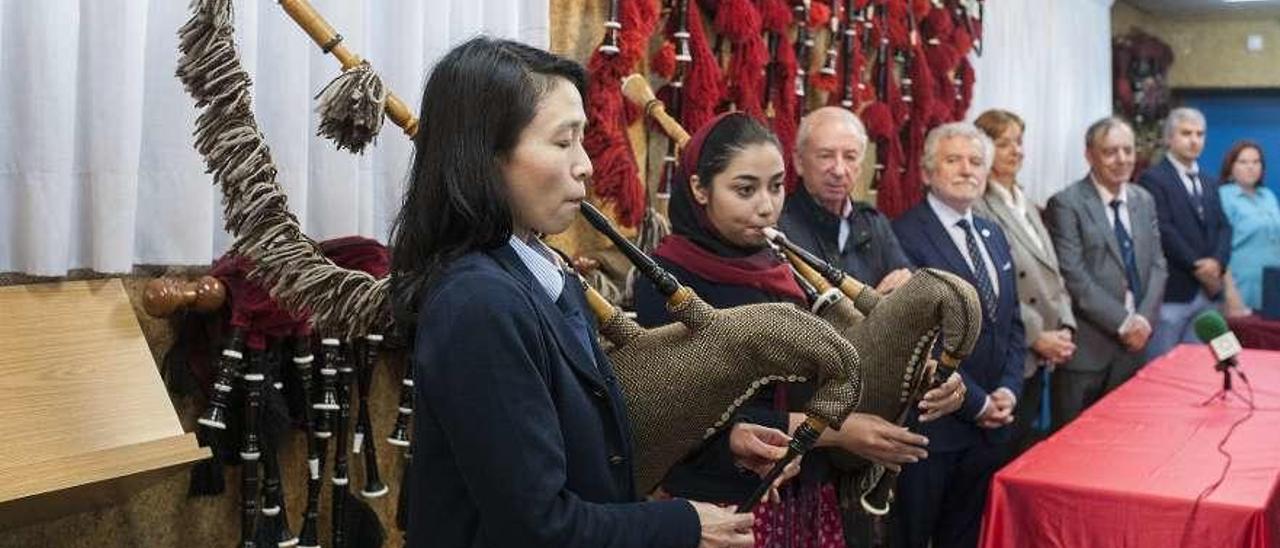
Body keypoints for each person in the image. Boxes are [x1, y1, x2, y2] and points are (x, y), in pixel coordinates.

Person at [390, 37, 778, 548]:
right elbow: (536, 525)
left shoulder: (543, 275)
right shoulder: (479, 305)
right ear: (487, 154)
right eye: (562, 141)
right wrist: (682, 525)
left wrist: (714, 446)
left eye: (583, 139)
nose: (586, 165)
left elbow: (588, 446)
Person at [633, 112, 964, 547]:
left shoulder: (779, 268)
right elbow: (688, 418)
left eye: (775, 186)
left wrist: (921, 371)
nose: (767, 206)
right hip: (722, 511)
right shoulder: (667, 279)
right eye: (745, 189)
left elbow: (831, 362)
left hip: (804, 492)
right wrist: (840, 430)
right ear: (699, 189)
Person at [890, 122, 1026, 548]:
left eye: (975, 162)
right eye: (953, 161)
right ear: (928, 172)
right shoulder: (905, 234)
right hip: (933, 429)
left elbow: (1012, 324)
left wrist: (1008, 389)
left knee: (966, 537)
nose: (967, 170)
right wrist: (977, 402)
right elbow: (918, 337)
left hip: (989, 429)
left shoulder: (993, 232)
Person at [1044, 117, 1168, 428]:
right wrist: (1123, 322)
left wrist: (1142, 320)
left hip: (1135, 349)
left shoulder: (1144, 199)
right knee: (1071, 451)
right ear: (1090, 155)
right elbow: (1073, 274)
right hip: (1087, 352)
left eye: (1128, 150)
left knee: (1124, 444)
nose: (1122, 159)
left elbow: (1158, 265)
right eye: (1111, 151)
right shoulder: (1066, 203)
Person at [972, 109, 1076, 454]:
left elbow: (1052, 272)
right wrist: (1037, 336)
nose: (1016, 150)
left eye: (1019, 141)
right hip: (1014, 349)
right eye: (1004, 143)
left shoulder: (1025, 202)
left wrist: (1064, 326)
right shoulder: (978, 207)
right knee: (1006, 450)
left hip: (1045, 347)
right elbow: (993, 287)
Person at [778, 107, 913, 294]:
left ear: (860, 165)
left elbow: (907, 287)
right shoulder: (780, 228)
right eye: (826, 156)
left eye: (850, 157)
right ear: (799, 162)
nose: (839, 171)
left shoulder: (873, 223)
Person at [1137, 107, 1232, 358]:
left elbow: (1224, 227)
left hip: (1209, 293)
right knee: (1163, 368)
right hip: (1174, 292)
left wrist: (1217, 264)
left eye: (1200, 134)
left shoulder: (1210, 181)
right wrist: (1198, 266)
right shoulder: (1153, 178)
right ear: (1169, 138)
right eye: (1186, 133)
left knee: (1200, 369)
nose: (1194, 140)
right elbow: (1163, 230)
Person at [1217, 140, 1280, 312]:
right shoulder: (1223, 197)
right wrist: (1230, 292)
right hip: (1240, 288)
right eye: (1243, 162)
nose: (1251, 167)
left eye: (1256, 162)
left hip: (1272, 288)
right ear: (1231, 167)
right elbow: (1218, 247)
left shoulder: (1267, 195)